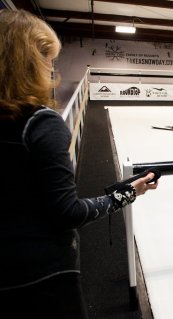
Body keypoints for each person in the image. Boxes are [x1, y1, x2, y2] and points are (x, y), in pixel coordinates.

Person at [0, 9, 157, 318]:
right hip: (41, 276)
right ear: (28, 63)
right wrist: (125, 194)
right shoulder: (40, 123)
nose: (50, 69)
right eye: (47, 59)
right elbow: (66, 212)